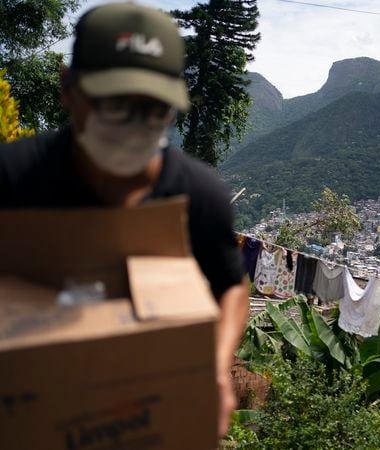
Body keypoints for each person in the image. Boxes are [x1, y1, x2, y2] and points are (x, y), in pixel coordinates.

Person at [0, 2, 248, 437]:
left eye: (154, 109)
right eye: (115, 104)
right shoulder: (12, 179)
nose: (134, 126)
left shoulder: (199, 196)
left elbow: (231, 286)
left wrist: (215, 368)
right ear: (68, 90)